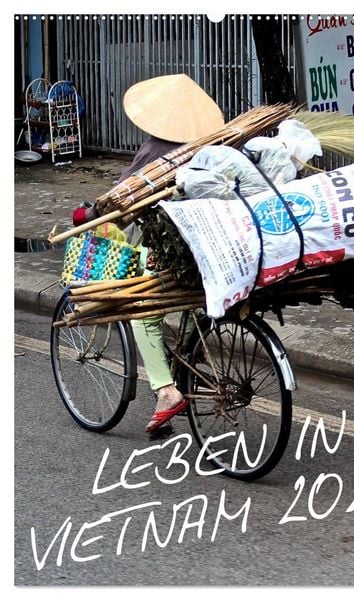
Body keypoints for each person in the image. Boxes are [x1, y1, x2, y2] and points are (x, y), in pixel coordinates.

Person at [73, 74, 224, 433]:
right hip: (210, 247)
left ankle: (167, 392)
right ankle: (186, 363)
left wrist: (86, 215)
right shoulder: (215, 148)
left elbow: (119, 199)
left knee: (143, 311)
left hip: (170, 249)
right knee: (190, 303)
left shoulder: (156, 150)